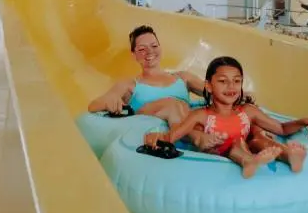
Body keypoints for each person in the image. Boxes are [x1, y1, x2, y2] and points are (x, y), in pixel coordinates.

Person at [145, 56, 308, 178]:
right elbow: (174, 136)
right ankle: (249, 162)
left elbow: (281, 129)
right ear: (208, 86)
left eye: (237, 81)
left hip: (245, 146)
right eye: (223, 81)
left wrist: (303, 121)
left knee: (259, 142)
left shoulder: (247, 111)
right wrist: (156, 138)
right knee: (236, 144)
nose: (231, 86)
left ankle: (290, 157)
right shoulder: (201, 115)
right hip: (217, 153)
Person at [87, 25, 224, 150]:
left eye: (154, 46)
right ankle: (196, 137)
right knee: (174, 105)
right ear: (133, 54)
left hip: (182, 126)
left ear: (160, 47)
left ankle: (203, 141)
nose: (149, 52)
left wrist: (242, 95)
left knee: (182, 106)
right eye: (142, 49)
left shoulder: (182, 78)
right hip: (149, 125)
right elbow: (93, 105)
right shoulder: (130, 84)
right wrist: (110, 99)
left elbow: (216, 92)